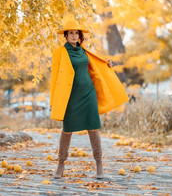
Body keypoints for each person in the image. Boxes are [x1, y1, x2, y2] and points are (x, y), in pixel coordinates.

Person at [50, 16, 129, 179]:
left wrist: (106, 65)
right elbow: (54, 79)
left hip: (88, 94)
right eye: (70, 33)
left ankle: (99, 166)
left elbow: (95, 65)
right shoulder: (59, 53)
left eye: (76, 33)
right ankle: (61, 165)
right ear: (65, 35)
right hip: (70, 97)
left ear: (80, 35)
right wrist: (54, 102)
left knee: (93, 128)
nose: (73, 36)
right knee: (67, 130)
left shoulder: (84, 50)